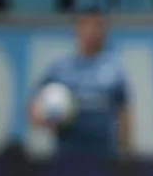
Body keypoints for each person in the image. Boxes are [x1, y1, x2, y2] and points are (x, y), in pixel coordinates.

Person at [29, 10, 132, 159]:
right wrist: (47, 119)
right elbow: (32, 109)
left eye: (96, 26)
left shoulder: (114, 70)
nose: (90, 31)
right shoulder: (59, 69)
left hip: (105, 156)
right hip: (67, 156)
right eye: (85, 25)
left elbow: (124, 113)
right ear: (77, 29)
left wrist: (126, 150)